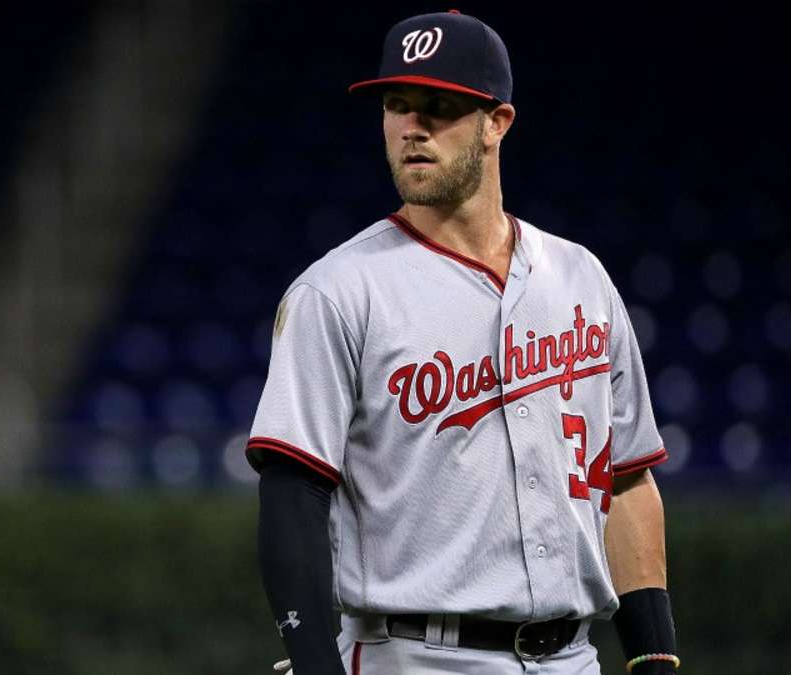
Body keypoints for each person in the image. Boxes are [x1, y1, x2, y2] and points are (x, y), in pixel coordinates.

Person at [246, 11, 679, 674]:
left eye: (439, 106)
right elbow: (293, 490)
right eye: (396, 105)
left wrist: (653, 655)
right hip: (413, 655)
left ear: (496, 123)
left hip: (574, 658)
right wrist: (313, 662)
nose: (411, 128)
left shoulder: (581, 277)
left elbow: (626, 479)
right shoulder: (338, 290)